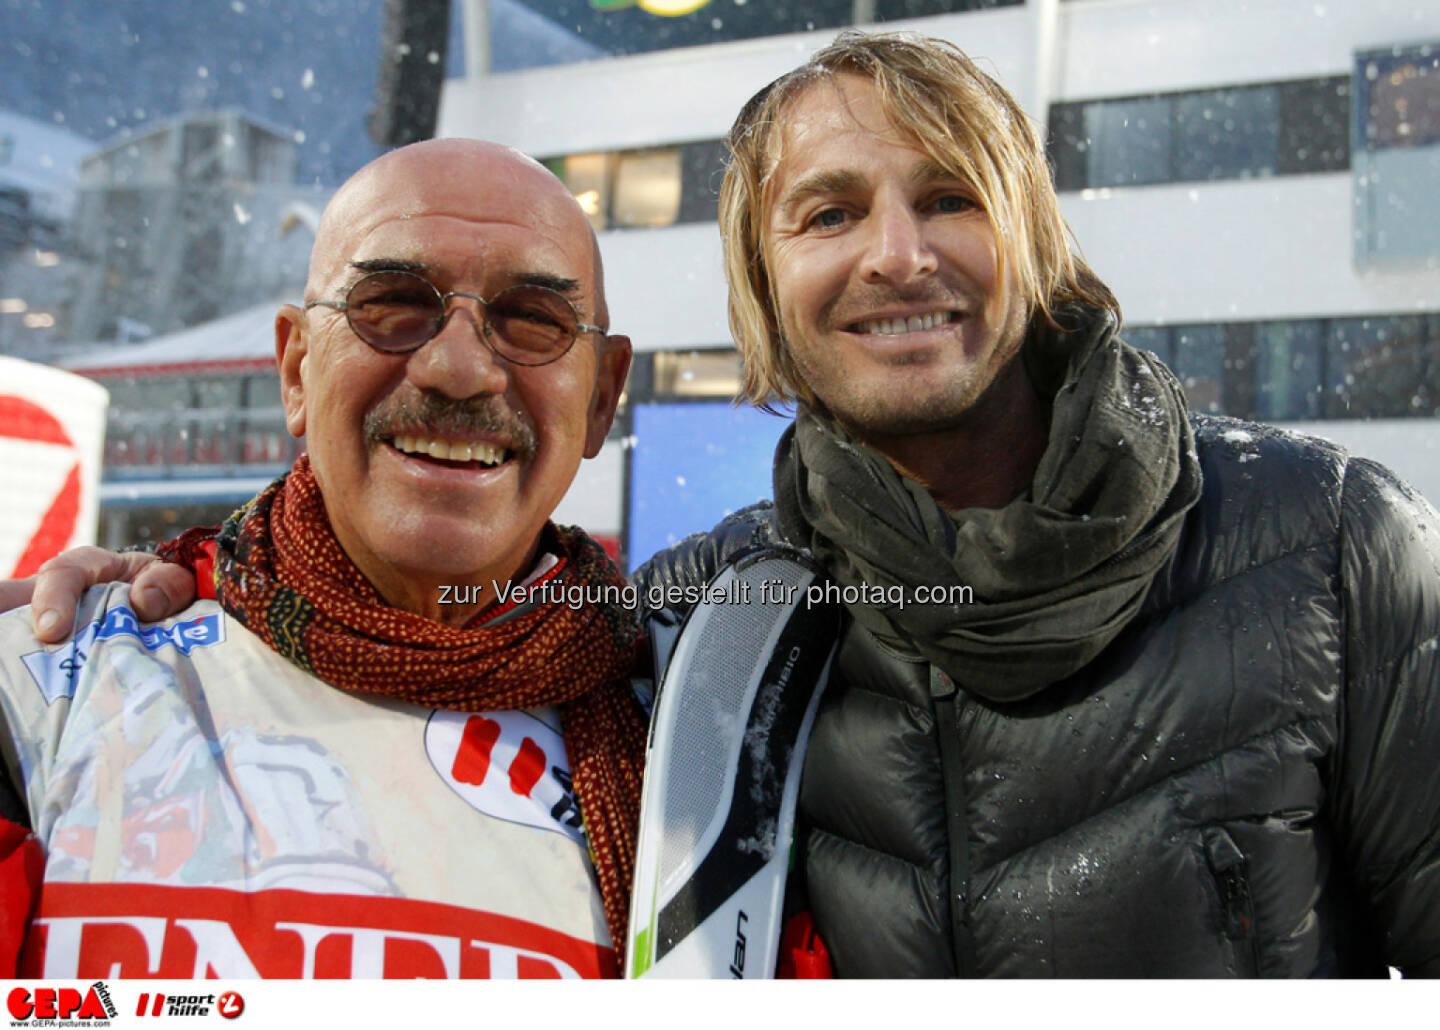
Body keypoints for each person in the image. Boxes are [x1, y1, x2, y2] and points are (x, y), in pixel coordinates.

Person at [14, 31, 1440, 979]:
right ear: (765, 295)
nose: (894, 254)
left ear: (1037, 246)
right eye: (825, 214)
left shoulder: (1326, 548)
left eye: (950, 197)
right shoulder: (705, 621)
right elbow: (398, 616)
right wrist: (220, 576)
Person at [0, 137, 647, 979]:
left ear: (600, 399)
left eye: (533, 320)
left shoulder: (698, 733)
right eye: (393, 303)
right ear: (297, 368)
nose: (457, 368)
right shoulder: (44, 684)